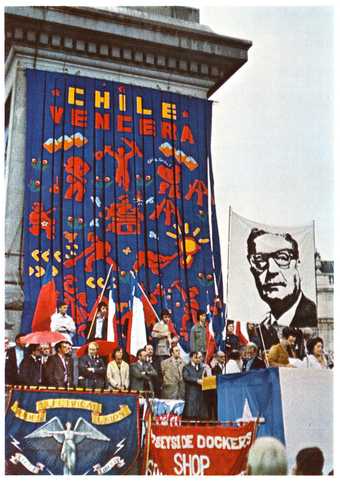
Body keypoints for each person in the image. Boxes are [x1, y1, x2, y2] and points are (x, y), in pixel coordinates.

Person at [247, 228, 317, 329]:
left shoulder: (312, 316)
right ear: (252, 269)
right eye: (260, 259)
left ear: (298, 265)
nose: (272, 270)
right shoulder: (263, 325)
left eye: (282, 258)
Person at [182, 351, 208, 420]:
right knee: (191, 414)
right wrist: (197, 380)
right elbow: (186, 377)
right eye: (196, 357)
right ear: (191, 358)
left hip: (201, 393)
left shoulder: (203, 368)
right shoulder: (186, 367)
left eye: (200, 358)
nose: (198, 359)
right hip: (191, 393)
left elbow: (206, 378)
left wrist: (208, 370)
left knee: (201, 415)